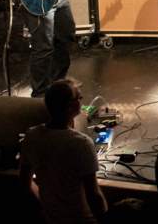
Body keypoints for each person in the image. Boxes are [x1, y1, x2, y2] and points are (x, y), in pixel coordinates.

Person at [19, 79, 107, 224]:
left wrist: (48, 207)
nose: (81, 101)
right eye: (79, 98)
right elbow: (94, 195)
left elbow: (24, 183)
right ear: (70, 106)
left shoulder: (31, 136)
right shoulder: (82, 143)